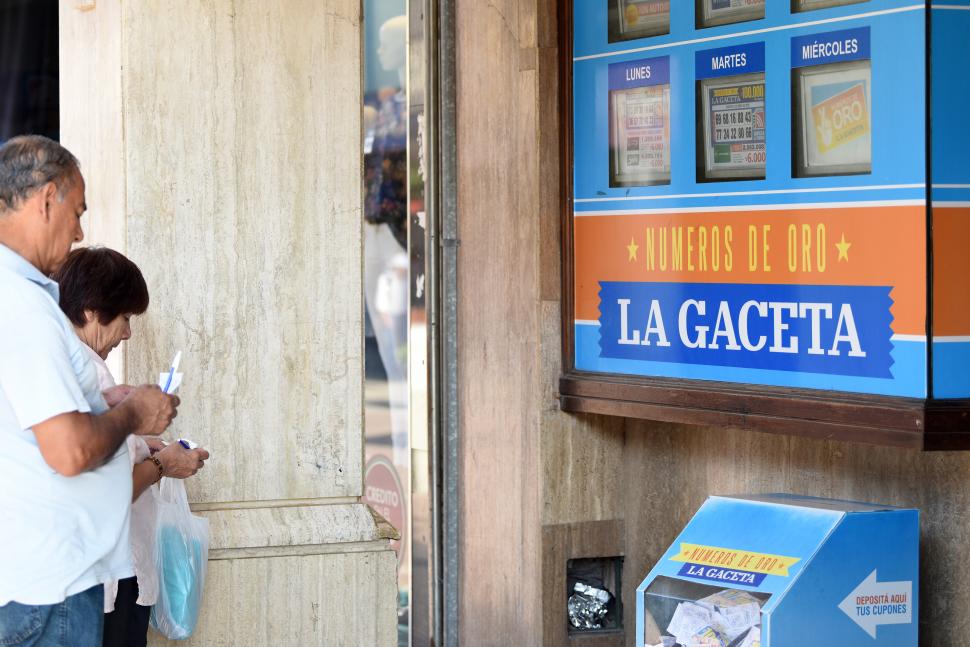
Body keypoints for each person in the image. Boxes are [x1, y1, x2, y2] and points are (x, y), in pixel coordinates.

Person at [0, 135, 179, 646]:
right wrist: (134, 414)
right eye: (77, 213)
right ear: (47, 199)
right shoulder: (22, 306)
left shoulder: (21, 296)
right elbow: (70, 449)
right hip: (50, 587)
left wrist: (104, 403)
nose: (79, 232)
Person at [53, 246, 209, 647]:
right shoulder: (86, 372)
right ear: (91, 310)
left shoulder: (61, 360)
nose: (127, 333)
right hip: (103, 579)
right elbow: (107, 489)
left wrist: (141, 444)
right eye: (124, 318)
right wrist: (165, 465)